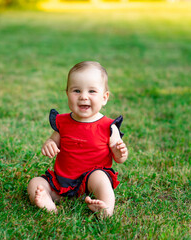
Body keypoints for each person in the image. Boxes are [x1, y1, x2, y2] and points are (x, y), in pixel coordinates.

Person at [27, 61, 128, 217]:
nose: (83, 97)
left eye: (92, 91)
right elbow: (53, 140)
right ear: (67, 94)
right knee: (35, 183)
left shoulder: (108, 126)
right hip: (62, 181)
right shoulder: (63, 123)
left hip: (91, 182)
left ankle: (106, 208)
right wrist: (49, 144)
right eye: (76, 90)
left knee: (100, 177)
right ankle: (48, 202)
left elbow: (119, 158)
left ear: (104, 97)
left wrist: (120, 151)